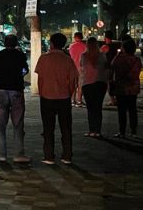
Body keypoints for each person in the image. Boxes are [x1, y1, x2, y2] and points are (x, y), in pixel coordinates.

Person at [34, 32, 79, 164]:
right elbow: (73, 81)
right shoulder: (68, 60)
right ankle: (67, 155)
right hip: (64, 97)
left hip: (47, 97)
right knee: (66, 128)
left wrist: (42, 93)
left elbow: (40, 79)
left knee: (48, 128)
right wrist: (69, 94)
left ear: (52, 44)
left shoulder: (44, 58)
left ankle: (49, 156)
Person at [0, 34, 31, 164]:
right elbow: (25, 70)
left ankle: (1, 155)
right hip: (16, 90)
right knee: (18, 124)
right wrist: (18, 75)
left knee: (1, 125)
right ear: (16, 43)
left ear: (4, 43)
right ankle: (18, 154)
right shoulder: (20, 55)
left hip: (1, 91)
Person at [78, 36, 109, 137]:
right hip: (100, 83)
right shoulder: (102, 55)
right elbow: (106, 68)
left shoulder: (83, 56)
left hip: (87, 83)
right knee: (98, 108)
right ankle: (98, 131)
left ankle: (91, 130)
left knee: (90, 108)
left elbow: (81, 67)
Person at [110, 39, 141, 137]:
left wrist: (118, 54)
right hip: (133, 87)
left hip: (121, 87)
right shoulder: (136, 59)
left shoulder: (119, 59)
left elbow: (112, 65)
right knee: (132, 109)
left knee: (122, 110)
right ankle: (133, 130)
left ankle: (122, 131)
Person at [68, 31, 87, 107]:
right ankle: (79, 100)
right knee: (80, 85)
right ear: (81, 37)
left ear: (75, 37)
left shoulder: (71, 46)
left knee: (73, 84)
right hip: (81, 67)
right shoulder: (85, 46)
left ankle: (73, 100)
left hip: (73, 67)